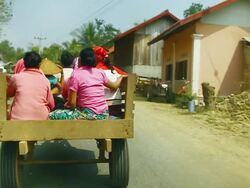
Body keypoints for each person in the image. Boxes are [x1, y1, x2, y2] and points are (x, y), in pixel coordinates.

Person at [49, 47, 123, 120]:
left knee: (52, 115)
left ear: (80, 60)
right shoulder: (100, 72)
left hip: (88, 115)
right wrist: (120, 77)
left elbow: (72, 103)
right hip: (104, 114)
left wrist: (67, 105)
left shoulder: (76, 74)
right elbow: (114, 86)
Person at [7, 51, 55, 120]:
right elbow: (51, 104)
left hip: (18, 120)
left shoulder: (16, 78)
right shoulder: (45, 80)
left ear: (25, 63)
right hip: (41, 119)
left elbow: (9, 94)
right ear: (39, 64)